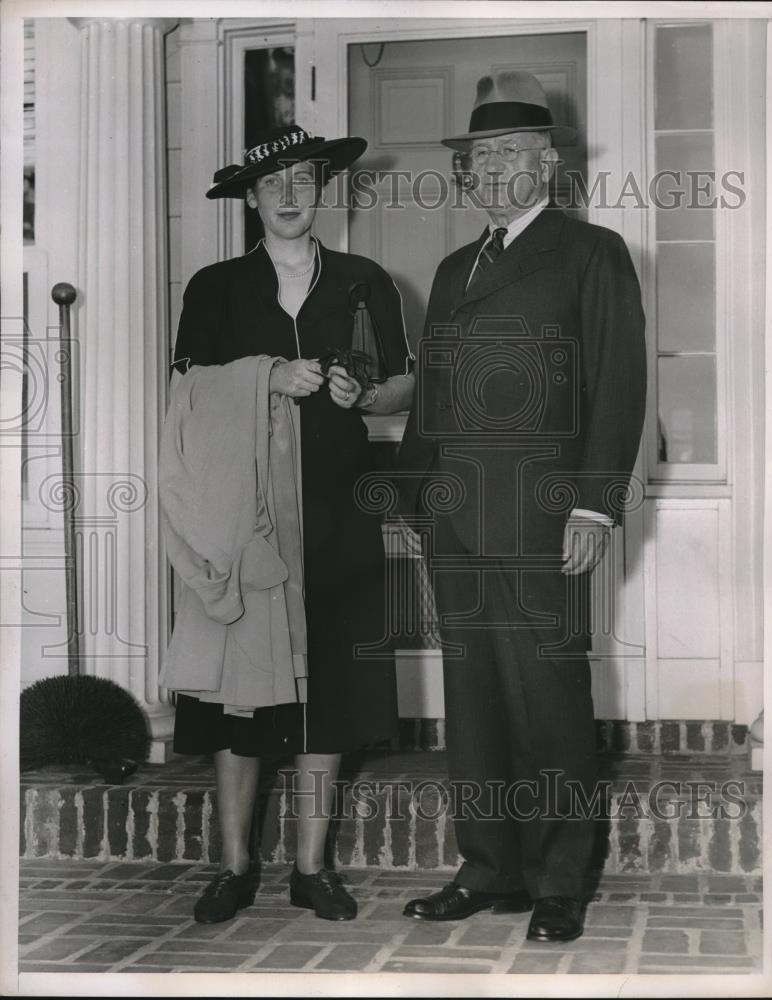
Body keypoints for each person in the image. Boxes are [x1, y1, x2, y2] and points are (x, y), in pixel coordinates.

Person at [397, 71, 646, 941]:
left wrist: (592, 508)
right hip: (456, 522)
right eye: (477, 157)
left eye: (508, 152)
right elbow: (431, 392)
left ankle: (559, 882)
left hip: (544, 518)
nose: (490, 168)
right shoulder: (453, 265)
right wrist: (414, 500)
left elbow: (618, 387)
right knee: (472, 702)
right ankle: (489, 867)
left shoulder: (591, 253)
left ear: (546, 162)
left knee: (548, 698)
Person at [163, 124, 415, 923]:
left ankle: (312, 869)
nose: (289, 195)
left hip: (338, 509)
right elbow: (188, 395)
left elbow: (407, 384)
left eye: (304, 180)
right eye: (272, 183)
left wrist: (365, 397)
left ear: (321, 190)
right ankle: (235, 865)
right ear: (249, 197)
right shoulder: (214, 287)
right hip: (243, 516)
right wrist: (271, 378)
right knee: (243, 693)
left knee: (328, 686)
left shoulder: (365, 281)